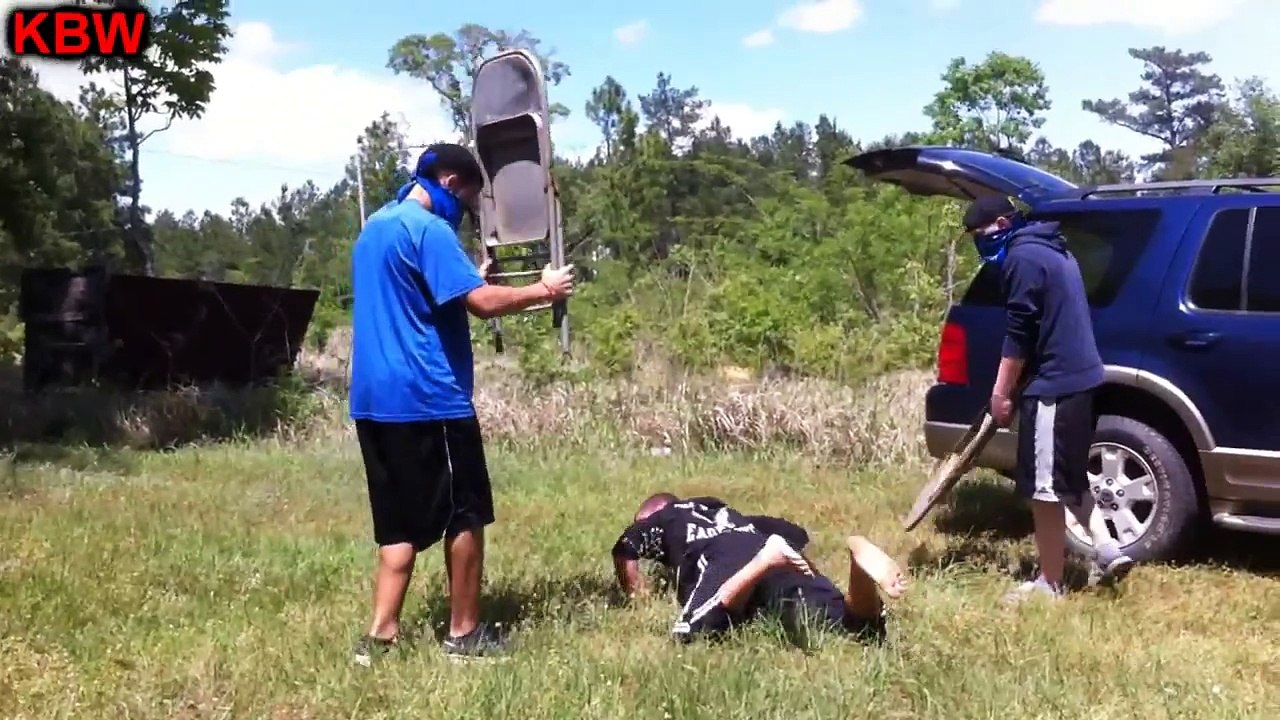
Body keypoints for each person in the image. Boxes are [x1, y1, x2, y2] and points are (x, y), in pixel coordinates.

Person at [348, 143, 574, 664]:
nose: (468, 214)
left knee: (398, 523)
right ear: (450, 182)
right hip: (429, 400)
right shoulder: (430, 230)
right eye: (469, 201)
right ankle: (464, 635)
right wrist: (545, 290)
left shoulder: (376, 228)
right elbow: (479, 304)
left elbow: (423, 295)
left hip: (372, 401)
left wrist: (476, 276)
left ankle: (379, 638)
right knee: (464, 513)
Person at [962, 195, 1134, 602]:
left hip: (1054, 386)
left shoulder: (1022, 259)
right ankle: (1107, 547)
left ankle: (1050, 583)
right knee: (1066, 476)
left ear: (1003, 222)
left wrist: (1000, 393)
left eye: (980, 235)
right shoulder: (1054, 249)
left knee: (1043, 488)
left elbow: (1018, 334)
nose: (979, 245)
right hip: (1083, 378)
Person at [610, 493, 907, 644]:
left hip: (720, 555)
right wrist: (809, 573)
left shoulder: (667, 515)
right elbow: (794, 535)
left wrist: (639, 596)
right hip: (764, 544)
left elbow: (624, 548)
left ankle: (764, 562)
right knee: (855, 627)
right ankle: (857, 560)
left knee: (693, 633)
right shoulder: (730, 514)